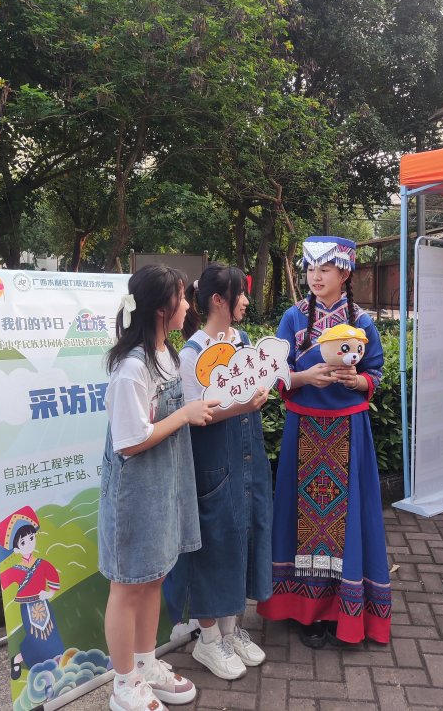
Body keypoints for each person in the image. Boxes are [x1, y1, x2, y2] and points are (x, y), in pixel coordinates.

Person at [257, 235, 392, 649]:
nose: (315, 277)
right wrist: (303, 377)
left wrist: (357, 381)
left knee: (348, 520)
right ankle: (306, 610)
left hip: (348, 429)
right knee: (303, 521)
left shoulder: (363, 322)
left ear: (344, 273)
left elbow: (377, 372)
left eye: (325, 269)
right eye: (311, 269)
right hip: (304, 428)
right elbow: (274, 373)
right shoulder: (293, 318)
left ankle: (342, 610)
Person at [98, 265, 220, 711]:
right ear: (161, 309)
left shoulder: (165, 353)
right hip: (135, 491)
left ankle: (146, 664)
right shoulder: (132, 367)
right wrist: (184, 415)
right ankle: (124, 683)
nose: (188, 304)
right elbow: (130, 442)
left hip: (162, 484)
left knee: (153, 578)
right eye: (182, 298)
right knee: (127, 586)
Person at [163, 264, 273, 681]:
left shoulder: (240, 341)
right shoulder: (191, 354)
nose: (245, 300)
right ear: (217, 301)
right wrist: (244, 405)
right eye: (239, 294)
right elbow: (198, 415)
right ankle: (208, 639)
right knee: (212, 546)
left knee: (243, 537)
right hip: (212, 463)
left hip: (246, 456)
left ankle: (231, 629)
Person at [0, 506, 65, 680]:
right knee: (35, 636)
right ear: (16, 549)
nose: (29, 543)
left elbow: (53, 580)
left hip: (43, 603)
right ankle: (19, 659)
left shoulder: (42, 564)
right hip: (27, 607)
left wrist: (48, 594)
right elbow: (4, 583)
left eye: (31, 538)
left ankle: (58, 662)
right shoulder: (16, 569)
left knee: (52, 632)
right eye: (23, 542)